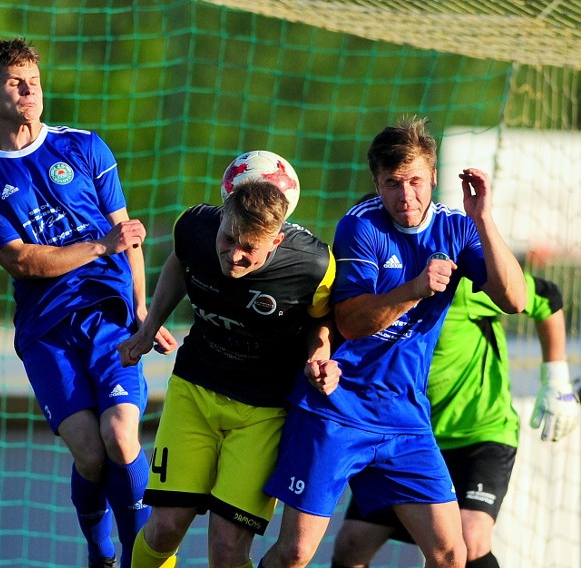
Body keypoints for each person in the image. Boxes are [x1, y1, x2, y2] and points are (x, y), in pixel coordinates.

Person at [258, 115, 529, 568]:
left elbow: (515, 300)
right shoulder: (360, 227)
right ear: (377, 183)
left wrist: (482, 219)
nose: (406, 196)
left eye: (416, 182)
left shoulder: (457, 228)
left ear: (434, 178)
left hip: (405, 415)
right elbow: (351, 320)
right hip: (337, 407)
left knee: (450, 554)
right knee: (297, 552)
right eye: (393, 183)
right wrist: (415, 289)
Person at [0, 38, 176, 568]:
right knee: (91, 453)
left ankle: (140, 559)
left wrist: (143, 311)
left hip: (109, 317)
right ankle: (99, 553)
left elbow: (130, 235)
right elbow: (23, 262)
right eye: (14, 82)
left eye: (34, 80)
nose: (29, 91)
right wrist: (99, 246)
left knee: (121, 435)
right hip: (46, 330)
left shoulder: (85, 146)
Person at [117, 179, 340, 568]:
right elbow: (180, 260)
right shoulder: (194, 226)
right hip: (194, 390)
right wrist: (149, 326)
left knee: (226, 549)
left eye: (249, 248)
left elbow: (321, 322)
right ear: (222, 219)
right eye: (229, 239)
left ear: (276, 242)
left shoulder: (315, 266)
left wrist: (319, 356)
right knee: (165, 527)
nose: (234, 255)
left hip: (262, 412)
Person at [331, 272, 579, 568]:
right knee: (352, 542)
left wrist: (556, 379)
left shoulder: (466, 282)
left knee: (469, 538)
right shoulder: (379, 286)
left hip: (478, 432)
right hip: (408, 437)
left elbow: (547, 297)